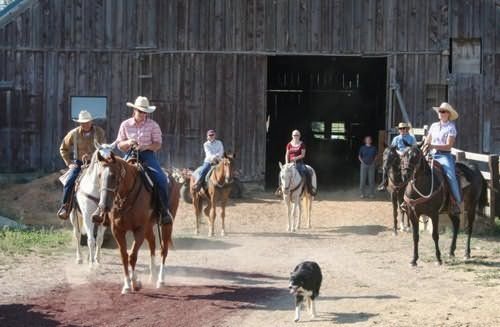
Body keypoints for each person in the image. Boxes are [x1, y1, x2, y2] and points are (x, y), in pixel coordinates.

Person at [116, 96, 173, 225]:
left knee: (161, 179)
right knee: (113, 176)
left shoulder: (153, 125)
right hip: (130, 153)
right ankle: (107, 209)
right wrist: (129, 142)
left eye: (145, 111)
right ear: (134, 110)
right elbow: (119, 144)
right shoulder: (125, 124)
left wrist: (145, 146)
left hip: (147, 155)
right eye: (140, 111)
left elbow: (157, 144)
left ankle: (163, 211)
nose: (143, 114)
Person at [57, 110, 106, 220]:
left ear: (91, 121)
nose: (85, 124)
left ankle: (110, 209)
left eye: (87, 122)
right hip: (79, 164)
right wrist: (69, 163)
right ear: (79, 123)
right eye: (83, 122)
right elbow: (63, 149)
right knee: (69, 182)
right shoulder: (73, 134)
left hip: (96, 163)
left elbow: (103, 148)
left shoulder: (99, 132)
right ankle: (65, 207)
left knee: (109, 180)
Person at [424, 102, 461, 215]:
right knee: (415, 167)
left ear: (448, 114)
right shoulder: (434, 126)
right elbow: (427, 140)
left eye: (443, 111)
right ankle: (409, 199)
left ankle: (456, 202)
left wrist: (433, 146)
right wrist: (423, 150)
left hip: (444, 155)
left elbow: (449, 146)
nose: (440, 113)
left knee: (451, 175)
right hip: (431, 154)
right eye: (440, 111)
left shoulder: (451, 127)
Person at [378, 122, 416, 190]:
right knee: (386, 164)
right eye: (400, 129)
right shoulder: (396, 138)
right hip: (398, 155)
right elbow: (393, 148)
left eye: (403, 128)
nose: (402, 130)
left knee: (412, 164)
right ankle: (384, 183)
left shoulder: (411, 138)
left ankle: (413, 182)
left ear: (406, 129)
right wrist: (399, 152)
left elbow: (413, 147)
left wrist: (405, 151)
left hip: (408, 155)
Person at [284, 129, 316, 195]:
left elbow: (303, 155)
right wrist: (287, 163)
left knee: (307, 172)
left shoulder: (302, 144)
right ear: (292, 136)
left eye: (297, 135)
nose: (296, 136)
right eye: (294, 135)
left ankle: (309, 188)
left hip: (299, 163)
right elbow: (287, 154)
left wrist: (295, 158)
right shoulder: (289, 144)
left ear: (299, 136)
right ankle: (281, 188)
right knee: (282, 173)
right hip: (290, 163)